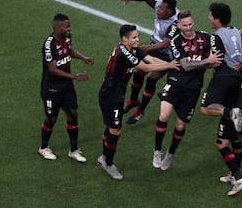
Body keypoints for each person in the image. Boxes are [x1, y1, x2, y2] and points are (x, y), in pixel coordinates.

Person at [97, 24, 180, 180]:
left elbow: (151, 59)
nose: (137, 39)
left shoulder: (133, 49)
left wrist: (172, 65)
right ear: (124, 39)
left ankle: (104, 157)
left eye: (137, 36)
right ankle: (107, 162)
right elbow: (145, 67)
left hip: (117, 94)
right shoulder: (123, 52)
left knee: (111, 127)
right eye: (134, 37)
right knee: (115, 130)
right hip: (110, 95)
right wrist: (169, 65)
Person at [152, 10, 223, 170]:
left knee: (180, 126)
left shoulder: (205, 38)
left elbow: (215, 61)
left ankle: (170, 154)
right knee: (164, 115)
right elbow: (185, 65)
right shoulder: (175, 41)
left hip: (193, 88)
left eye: (190, 24)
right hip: (175, 82)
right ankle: (157, 150)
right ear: (178, 25)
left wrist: (208, 61)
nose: (189, 28)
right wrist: (206, 61)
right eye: (184, 25)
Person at [200, 3, 242, 196]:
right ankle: (236, 176)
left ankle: (236, 117)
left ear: (218, 18)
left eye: (211, 15)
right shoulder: (236, 31)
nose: (209, 17)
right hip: (238, 77)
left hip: (223, 77)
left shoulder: (216, 36)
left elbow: (216, 60)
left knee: (206, 107)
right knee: (228, 139)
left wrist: (200, 63)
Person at [115, 0, 179, 124]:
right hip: (154, 47)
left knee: (152, 77)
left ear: (169, 11)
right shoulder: (160, 5)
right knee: (138, 71)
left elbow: (166, 43)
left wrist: (147, 48)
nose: (158, 10)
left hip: (167, 54)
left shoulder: (175, 23)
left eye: (161, 10)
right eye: (158, 7)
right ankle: (133, 100)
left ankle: (141, 110)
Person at [38, 13, 94, 162]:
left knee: (73, 114)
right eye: (66, 26)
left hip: (66, 85)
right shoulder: (49, 44)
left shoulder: (67, 37)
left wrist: (83, 57)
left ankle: (73, 150)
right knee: (51, 118)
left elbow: (69, 50)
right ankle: (43, 148)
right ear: (57, 27)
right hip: (52, 88)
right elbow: (53, 69)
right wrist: (75, 76)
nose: (69, 28)